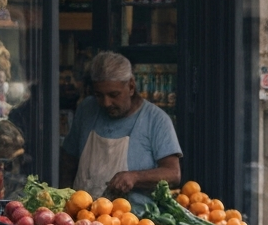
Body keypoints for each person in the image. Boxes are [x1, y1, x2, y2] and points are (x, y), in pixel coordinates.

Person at [60, 51, 181, 211]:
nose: (106, 103)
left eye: (113, 95)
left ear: (131, 86)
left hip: (132, 223)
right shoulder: (87, 109)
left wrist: (135, 177)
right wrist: (62, 202)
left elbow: (173, 173)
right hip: (82, 219)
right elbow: (69, 160)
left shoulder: (156, 120)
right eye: (99, 95)